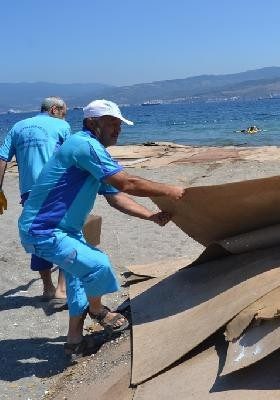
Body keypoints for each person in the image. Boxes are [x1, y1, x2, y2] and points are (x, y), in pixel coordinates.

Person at [18, 99, 185, 357]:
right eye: (110, 123)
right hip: (44, 230)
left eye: (119, 124)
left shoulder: (93, 151)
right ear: (91, 123)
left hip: (64, 231)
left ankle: (74, 341)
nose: (116, 130)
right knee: (98, 265)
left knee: (77, 281)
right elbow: (127, 183)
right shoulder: (84, 145)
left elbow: (115, 195)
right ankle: (98, 311)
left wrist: (150, 215)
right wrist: (170, 190)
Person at [0, 96, 70, 302]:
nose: (64, 116)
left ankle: (47, 288)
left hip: (29, 191)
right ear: (55, 110)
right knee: (65, 234)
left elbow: (3, 159)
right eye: (64, 112)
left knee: (39, 235)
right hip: (57, 188)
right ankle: (61, 289)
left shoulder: (17, 127)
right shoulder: (61, 125)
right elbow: (73, 156)